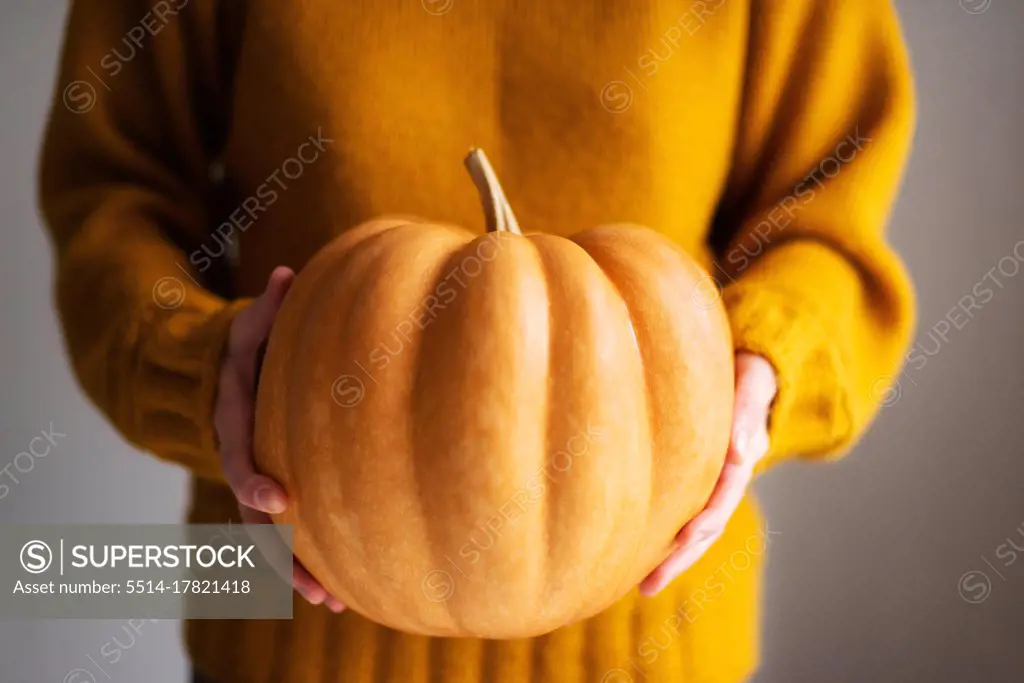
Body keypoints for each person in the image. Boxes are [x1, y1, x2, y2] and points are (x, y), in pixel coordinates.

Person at [38, 0, 915, 681]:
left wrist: (768, 361)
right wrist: (194, 359)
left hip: (653, 641)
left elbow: (829, 230)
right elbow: (114, 197)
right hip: (273, 623)